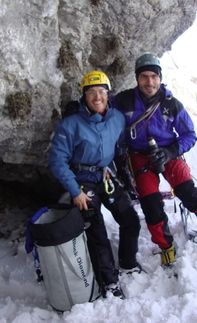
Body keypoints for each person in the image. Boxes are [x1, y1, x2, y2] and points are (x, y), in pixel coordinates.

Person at [113, 53, 197, 268]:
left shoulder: (171, 105)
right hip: (140, 157)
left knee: (189, 193)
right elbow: (101, 103)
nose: (149, 82)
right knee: (151, 205)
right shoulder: (124, 100)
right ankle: (166, 246)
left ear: (160, 78)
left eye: (153, 76)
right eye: (144, 77)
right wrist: (80, 107)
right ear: (137, 78)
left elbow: (190, 135)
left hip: (169, 153)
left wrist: (169, 153)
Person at [48, 70, 142, 298]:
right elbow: (57, 160)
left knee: (130, 219)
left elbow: (119, 149)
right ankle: (109, 281)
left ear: (108, 95)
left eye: (102, 91)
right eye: (91, 92)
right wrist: (74, 192)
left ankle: (127, 262)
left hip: (106, 178)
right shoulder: (70, 125)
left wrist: (126, 179)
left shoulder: (116, 119)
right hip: (82, 182)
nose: (97, 97)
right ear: (84, 97)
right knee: (96, 228)